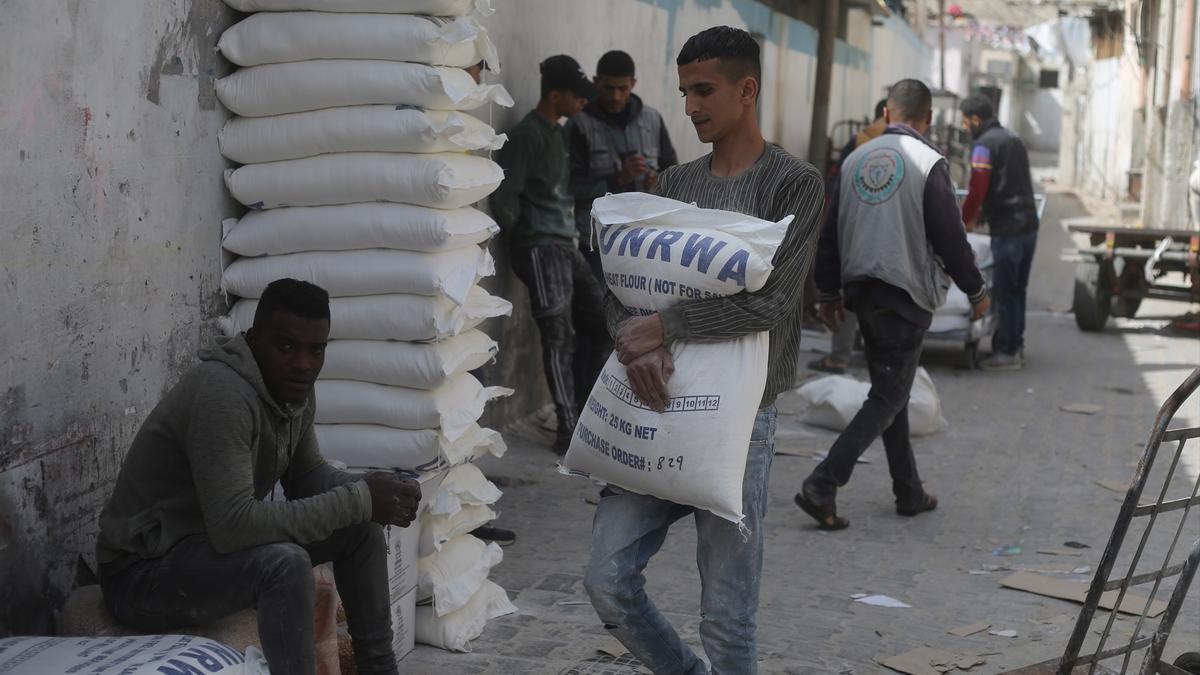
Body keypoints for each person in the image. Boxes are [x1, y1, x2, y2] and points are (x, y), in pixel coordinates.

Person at [583, 27, 825, 674]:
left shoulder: (794, 185)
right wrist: (635, 343)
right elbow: (623, 285)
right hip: (655, 404)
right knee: (606, 577)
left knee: (726, 614)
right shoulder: (673, 184)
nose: (689, 106)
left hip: (741, 421)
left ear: (746, 91)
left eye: (704, 90)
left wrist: (666, 326)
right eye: (685, 90)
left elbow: (773, 303)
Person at [95, 279, 421, 675]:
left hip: (204, 550)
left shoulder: (293, 388)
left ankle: (380, 669)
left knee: (361, 529)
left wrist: (374, 492)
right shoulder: (223, 394)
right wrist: (360, 498)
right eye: (286, 346)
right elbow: (233, 526)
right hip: (142, 573)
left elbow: (308, 475)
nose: (303, 363)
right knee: (284, 564)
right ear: (254, 340)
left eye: (315, 350)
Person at [794, 80, 990, 531]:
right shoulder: (928, 163)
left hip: (862, 290)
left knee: (892, 390)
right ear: (930, 119)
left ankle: (909, 491)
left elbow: (830, 230)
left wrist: (827, 292)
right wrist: (977, 293)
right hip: (904, 291)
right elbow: (952, 238)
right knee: (887, 394)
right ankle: (822, 483)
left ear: (886, 111)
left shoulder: (855, 159)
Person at [491, 55, 609, 455]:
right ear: (555, 94)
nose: (582, 104)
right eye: (577, 97)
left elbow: (563, 192)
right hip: (543, 246)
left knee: (606, 322)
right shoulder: (528, 135)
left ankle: (591, 415)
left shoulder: (558, 133)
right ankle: (569, 428)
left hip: (566, 244)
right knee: (559, 336)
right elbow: (505, 200)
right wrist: (526, 241)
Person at [567, 50, 678, 280]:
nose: (616, 96)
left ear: (633, 84)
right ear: (596, 82)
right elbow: (569, 187)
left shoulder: (653, 119)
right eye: (609, 88)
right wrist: (618, 178)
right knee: (597, 312)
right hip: (597, 243)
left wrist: (658, 180)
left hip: (647, 241)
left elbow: (674, 173)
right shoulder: (578, 123)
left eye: (623, 89)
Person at [808, 97, 889, 375]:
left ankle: (839, 357)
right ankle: (879, 355)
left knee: (850, 290)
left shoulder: (859, 140)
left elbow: (836, 186)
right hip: (891, 233)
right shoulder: (912, 146)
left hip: (855, 228)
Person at [959, 94, 1039, 370]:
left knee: (1005, 290)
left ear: (976, 120)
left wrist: (964, 219)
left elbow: (978, 187)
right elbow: (1009, 183)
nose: (964, 128)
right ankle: (1015, 345)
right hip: (1028, 224)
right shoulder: (1013, 138)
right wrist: (983, 213)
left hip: (1008, 228)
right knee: (1018, 289)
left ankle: (1006, 352)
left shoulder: (983, 146)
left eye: (965, 122)